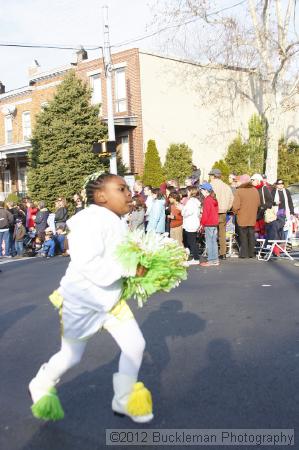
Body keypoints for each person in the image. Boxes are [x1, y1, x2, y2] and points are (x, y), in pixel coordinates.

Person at [29, 173, 153, 423]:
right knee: (71, 356)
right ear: (101, 196)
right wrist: (130, 269)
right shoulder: (87, 222)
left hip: (111, 301)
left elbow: (121, 257)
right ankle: (41, 383)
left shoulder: (116, 220)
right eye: (122, 189)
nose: (129, 194)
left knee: (135, 345)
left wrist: (145, 268)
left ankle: (125, 398)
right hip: (82, 302)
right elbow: (88, 264)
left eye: (128, 189)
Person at [232, 174, 260, 258]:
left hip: (242, 216)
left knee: (243, 235)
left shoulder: (239, 191)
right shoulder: (255, 190)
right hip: (252, 216)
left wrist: (235, 212)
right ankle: (251, 253)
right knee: (251, 234)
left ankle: (244, 253)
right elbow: (258, 203)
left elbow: (236, 205)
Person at [209, 168, 234, 260]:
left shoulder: (210, 185)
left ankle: (212, 252)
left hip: (212, 211)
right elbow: (232, 199)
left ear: (213, 176)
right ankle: (223, 253)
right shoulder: (226, 186)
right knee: (222, 233)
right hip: (223, 211)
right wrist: (227, 207)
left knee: (211, 232)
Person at [199, 183, 219, 267]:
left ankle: (211, 260)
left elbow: (205, 214)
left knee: (209, 242)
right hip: (214, 223)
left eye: (202, 190)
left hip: (209, 223)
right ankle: (215, 260)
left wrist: (201, 224)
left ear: (206, 191)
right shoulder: (214, 199)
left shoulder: (207, 200)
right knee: (213, 242)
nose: (201, 191)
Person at [181, 186, 201, 265]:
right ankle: (195, 257)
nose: (187, 193)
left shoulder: (191, 202)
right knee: (192, 241)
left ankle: (196, 258)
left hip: (190, 223)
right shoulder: (195, 201)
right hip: (194, 222)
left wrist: (182, 210)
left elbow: (187, 212)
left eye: (188, 191)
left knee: (191, 241)